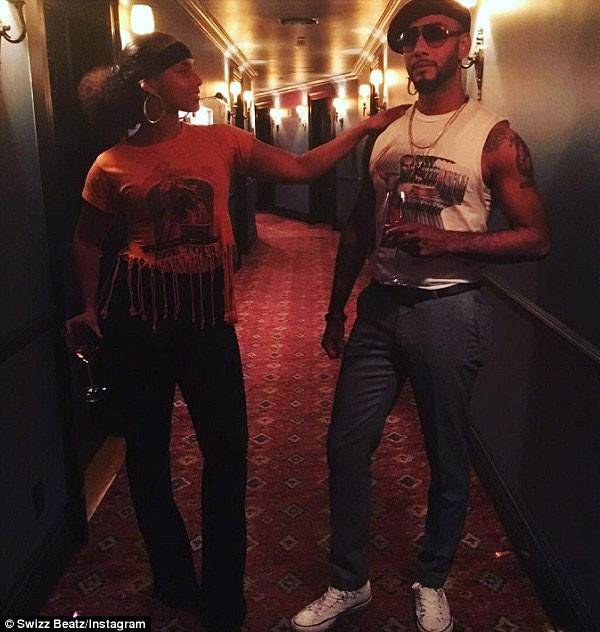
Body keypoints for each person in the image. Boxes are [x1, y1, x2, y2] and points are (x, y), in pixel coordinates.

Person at [65, 31, 404, 632]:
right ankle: (173, 580)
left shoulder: (220, 140)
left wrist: (363, 128)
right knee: (147, 458)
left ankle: (223, 596)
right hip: (138, 327)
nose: (197, 79)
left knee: (226, 458)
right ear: (149, 85)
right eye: (183, 70)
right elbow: (88, 241)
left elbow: (300, 167)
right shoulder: (109, 163)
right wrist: (90, 308)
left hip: (208, 327)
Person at [291, 1, 549, 631]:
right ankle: (349, 581)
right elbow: (359, 227)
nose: (420, 47)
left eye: (436, 34)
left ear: (464, 45)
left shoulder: (494, 137)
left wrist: (449, 241)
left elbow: (536, 237)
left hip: (449, 310)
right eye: (409, 38)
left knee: (446, 455)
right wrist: (334, 311)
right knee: (345, 445)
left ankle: (432, 578)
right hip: (380, 309)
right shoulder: (386, 132)